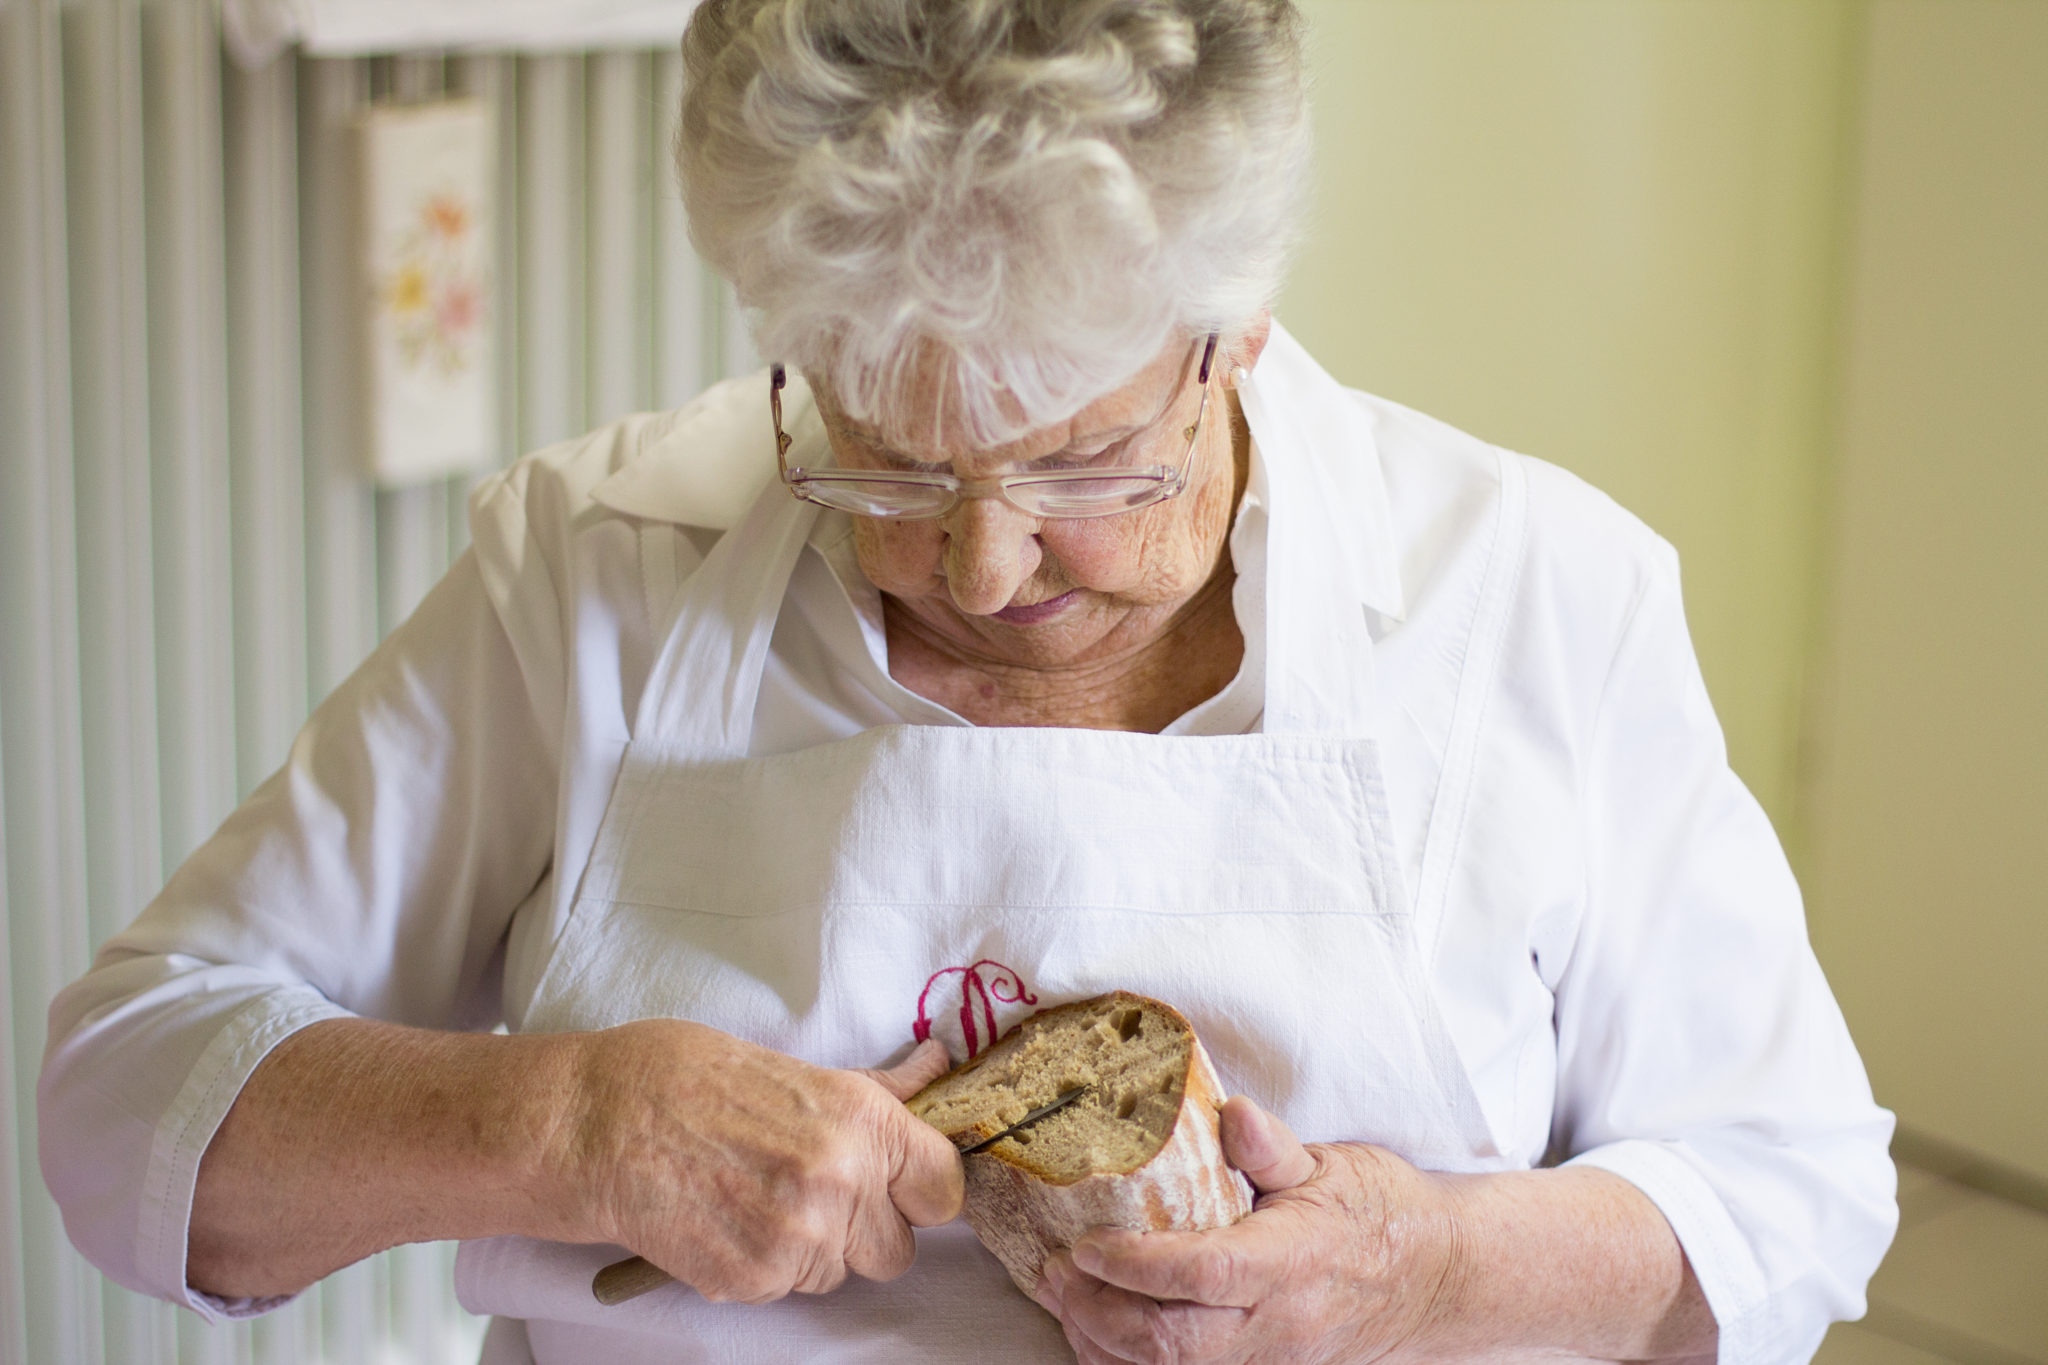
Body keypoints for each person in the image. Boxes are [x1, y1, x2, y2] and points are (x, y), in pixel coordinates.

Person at [39, 1, 1897, 1361]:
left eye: (1089, 465)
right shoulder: (594, 572)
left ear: (1237, 320)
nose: (987, 568)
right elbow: (124, 1103)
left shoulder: (1533, 595)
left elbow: (1796, 1191)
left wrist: (1424, 1269)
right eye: (886, 462)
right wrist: (569, 1124)